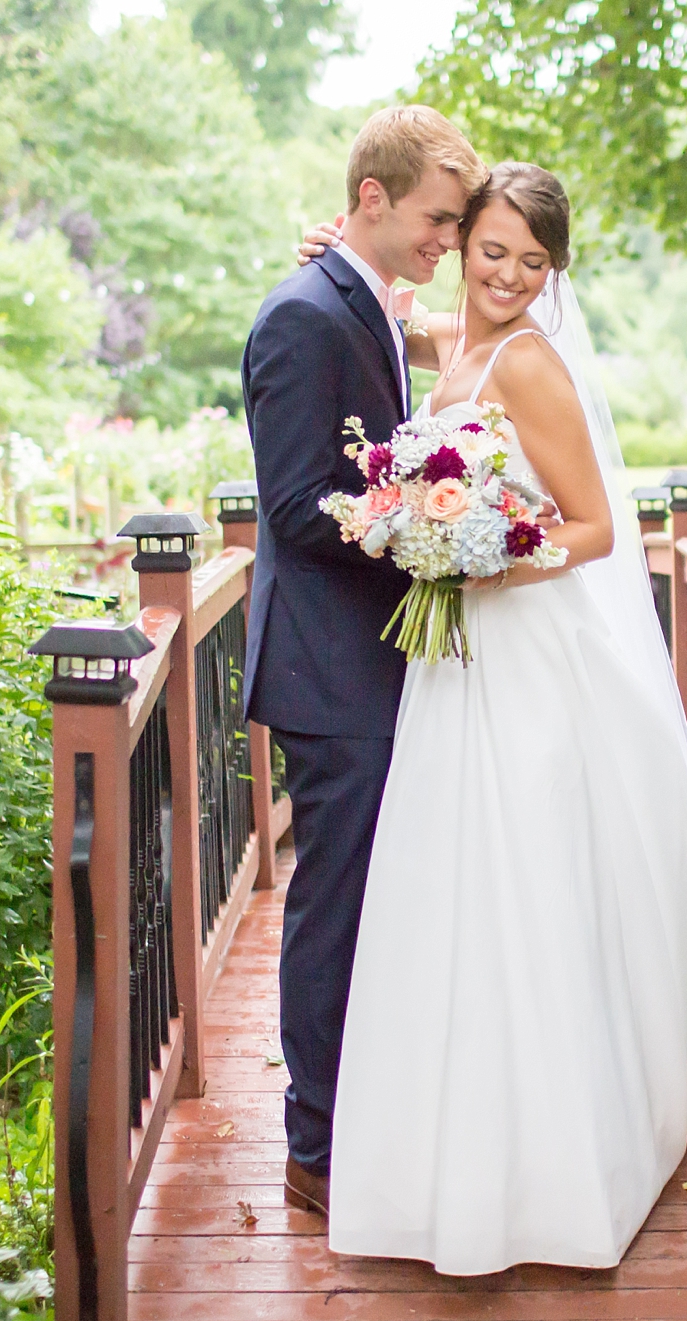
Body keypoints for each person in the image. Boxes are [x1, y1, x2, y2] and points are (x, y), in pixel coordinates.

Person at [293, 165, 687, 1273]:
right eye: (492, 250)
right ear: (463, 244)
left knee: (522, 878)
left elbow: (598, 526)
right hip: (451, 661)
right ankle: (448, 1129)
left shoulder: (532, 363)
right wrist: (338, 250)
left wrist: (499, 557)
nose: (507, 275)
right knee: (451, 881)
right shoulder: (452, 338)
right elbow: (392, 310)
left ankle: (554, 1147)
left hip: (519, 642)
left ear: (553, 272)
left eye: (531, 262)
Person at [239, 105, 487, 1217]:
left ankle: (373, 1119)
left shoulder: (370, 303)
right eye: (438, 219)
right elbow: (295, 505)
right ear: (373, 199)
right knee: (333, 907)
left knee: (381, 900)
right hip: (333, 671)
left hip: (378, 659)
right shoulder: (301, 315)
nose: (446, 239)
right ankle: (315, 1151)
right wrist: (425, 529)